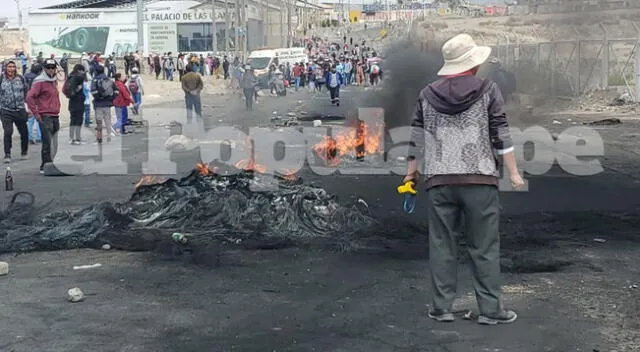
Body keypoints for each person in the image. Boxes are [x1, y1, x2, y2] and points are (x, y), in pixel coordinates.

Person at [405, 33, 525, 325]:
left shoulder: (427, 94)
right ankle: (490, 310)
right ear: (473, 64)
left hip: (439, 182)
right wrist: (513, 172)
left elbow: (416, 140)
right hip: (479, 180)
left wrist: (410, 175)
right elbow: (501, 134)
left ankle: (441, 308)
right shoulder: (488, 89)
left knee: (442, 244)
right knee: (483, 246)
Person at [26, 58, 61, 174]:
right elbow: (29, 97)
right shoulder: (40, 81)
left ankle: (49, 164)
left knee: (54, 141)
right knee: (48, 142)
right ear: (44, 69)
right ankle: (46, 165)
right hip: (45, 115)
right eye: (48, 68)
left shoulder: (53, 80)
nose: (50, 70)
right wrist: (36, 114)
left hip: (55, 115)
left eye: (53, 67)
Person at [0, 60, 29, 163]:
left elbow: (27, 92)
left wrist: (27, 107)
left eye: (13, 67)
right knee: (8, 132)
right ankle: (7, 154)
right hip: (6, 110)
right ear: (5, 68)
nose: (11, 69)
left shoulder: (20, 78)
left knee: (24, 132)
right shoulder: (1, 79)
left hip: (20, 110)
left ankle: (24, 151)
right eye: (9, 67)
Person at [91, 65, 118, 143]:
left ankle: (99, 137)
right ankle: (109, 137)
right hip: (107, 104)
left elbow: (93, 91)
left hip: (98, 104)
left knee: (99, 122)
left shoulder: (95, 80)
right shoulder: (108, 79)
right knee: (108, 121)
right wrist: (111, 99)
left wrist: (98, 98)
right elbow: (116, 91)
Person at [64, 64, 87, 145]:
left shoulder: (70, 76)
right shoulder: (78, 77)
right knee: (78, 120)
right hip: (78, 101)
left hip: (71, 101)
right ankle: (77, 138)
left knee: (72, 120)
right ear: (79, 70)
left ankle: (71, 138)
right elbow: (83, 78)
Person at [23, 63, 42, 144]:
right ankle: (39, 137)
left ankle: (29, 137)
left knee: (30, 120)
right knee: (38, 119)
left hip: (27, 100)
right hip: (37, 100)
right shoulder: (39, 78)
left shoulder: (25, 76)